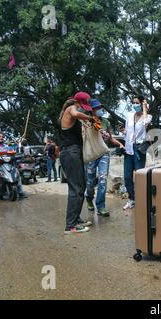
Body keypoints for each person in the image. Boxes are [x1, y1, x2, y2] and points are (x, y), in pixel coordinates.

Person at [58, 92, 95, 234]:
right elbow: (75, 113)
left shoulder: (72, 112)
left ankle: (76, 219)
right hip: (70, 153)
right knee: (76, 188)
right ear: (78, 103)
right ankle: (71, 226)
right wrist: (90, 118)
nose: (83, 109)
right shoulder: (71, 109)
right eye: (83, 106)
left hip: (73, 153)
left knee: (80, 186)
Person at [85, 99, 124, 216]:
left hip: (103, 153)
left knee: (102, 179)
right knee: (90, 181)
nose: (99, 110)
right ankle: (89, 197)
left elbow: (110, 138)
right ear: (91, 110)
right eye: (96, 108)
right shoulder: (87, 121)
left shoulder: (106, 122)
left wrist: (120, 144)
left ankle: (101, 205)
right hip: (91, 154)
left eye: (100, 108)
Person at [122, 95, 152, 210]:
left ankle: (141, 200)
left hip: (139, 149)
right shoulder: (129, 116)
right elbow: (127, 131)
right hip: (128, 148)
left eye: (137, 103)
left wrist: (145, 107)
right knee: (127, 176)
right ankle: (131, 199)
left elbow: (145, 123)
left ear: (142, 103)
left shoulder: (148, 116)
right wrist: (123, 132)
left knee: (139, 176)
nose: (135, 105)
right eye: (133, 102)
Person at [0, 132, 27, 203]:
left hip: (7, 165)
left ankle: (21, 192)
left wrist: (16, 155)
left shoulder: (7, 146)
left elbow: (12, 153)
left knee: (17, 174)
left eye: (2, 137)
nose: (1, 138)